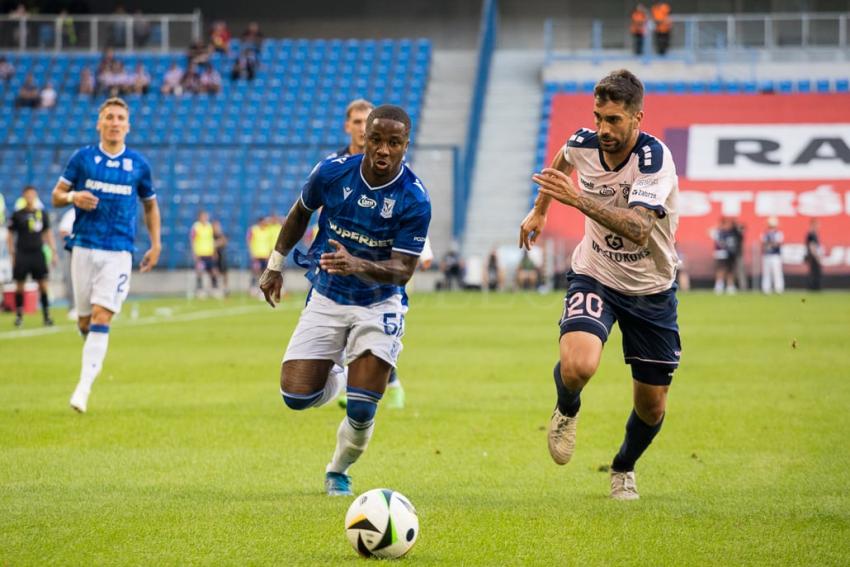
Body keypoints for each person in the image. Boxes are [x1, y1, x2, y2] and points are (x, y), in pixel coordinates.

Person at [520, 69, 681, 500]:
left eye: (614, 120)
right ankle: (567, 407)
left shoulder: (654, 161)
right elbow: (561, 161)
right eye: (598, 118)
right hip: (596, 273)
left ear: (637, 118)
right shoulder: (583, 143)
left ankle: (623, 467)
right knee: (579, 367)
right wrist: (541, 210)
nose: (604, 129)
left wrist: (578, 200)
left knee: (652, 405)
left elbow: (640, 230)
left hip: (651, 289)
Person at [259, 105, 430, 496]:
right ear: (364, 139)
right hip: (328, 296)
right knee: (295, 396)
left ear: (406, 146)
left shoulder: (414, 199)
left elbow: (403, 270)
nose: (383, 150)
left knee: (362, 408)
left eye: (394, 143)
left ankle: (338, 470)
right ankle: (337, 371)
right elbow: (300, 212)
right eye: (376, 140)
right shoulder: (332, 172)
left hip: (379, 304)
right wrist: (275, 264)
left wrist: (355, 263)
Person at [51, 97, 162, 414]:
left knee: (102, 315)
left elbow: (150, 205)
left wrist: (156, 244)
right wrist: (73, 196)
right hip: (83, 248)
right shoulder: (83, 159)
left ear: (128, 126)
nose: (114, 123)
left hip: (118, 252)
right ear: (100, 123)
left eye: (120, 118)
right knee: (86, 321)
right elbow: (56, 195)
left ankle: (82, 390)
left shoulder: (138, 165)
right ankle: (89, 354)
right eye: (109, 117)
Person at [7, 186, 57, 327]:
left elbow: (47, 233)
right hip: (22, 253)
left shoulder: (41, 214)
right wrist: (12, 253)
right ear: (24, 196)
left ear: (35, 196)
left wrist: (53, 251)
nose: (30, 197)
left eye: (32, 195)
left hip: (37, 253)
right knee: (19, 286)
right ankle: (19, 316)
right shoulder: (17, 215)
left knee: (43, 284)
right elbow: (10, 234)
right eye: (27, 195)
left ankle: (46, 315)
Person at [191, 211, 219, 298]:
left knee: (213, 271)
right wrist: (195, 253)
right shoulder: (196, 227)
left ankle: (214, 289)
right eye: (204, 216)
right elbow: (193, 240)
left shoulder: (209, 226)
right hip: (200, 254)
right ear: (199, 217)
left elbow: (211, 240)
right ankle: (200, 290)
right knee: (200, 272)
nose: (206, 218)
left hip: (209, 253)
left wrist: (214, 251)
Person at [58, 207, 77, 319]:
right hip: (72, 251)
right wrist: (73, 243)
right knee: (71, 280)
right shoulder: (71, 214)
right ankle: (73, 307)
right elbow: (63, 231)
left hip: (89, 250)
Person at [711, 217, 737, 295]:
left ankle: (730, 286)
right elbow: (710, 232)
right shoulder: (718, 232)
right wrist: (719, 226)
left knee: (730, 270)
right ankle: (719, 285)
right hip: (720, 253)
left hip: (729, 253)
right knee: (720, 269)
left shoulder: (731, 233)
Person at [761, 216, 784, 294]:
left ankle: (778, 288)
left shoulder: (778, 233)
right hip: (767, 255)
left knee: (777, 272)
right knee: (767, 273)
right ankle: (766, 289)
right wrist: (770, 244)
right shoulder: (765, 234)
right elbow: (763, 244)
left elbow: (777, 243)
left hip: (775, 255)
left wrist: (770, 244)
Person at [247, 216, 271, 293]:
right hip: (256, 255)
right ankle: (252, 287)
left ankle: (262, 288)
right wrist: (251, 252)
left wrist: (269, 254)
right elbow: (249, 241)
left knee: (264, 273)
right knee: (255, 271)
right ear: (260, 222)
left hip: (265, 255)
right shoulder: (254, 230)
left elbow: (269, 244)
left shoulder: (267, 230)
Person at [805, 219, 823, 291]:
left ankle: (815, 287)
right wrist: (816, 256)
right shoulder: (811, 234)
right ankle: (813, 287)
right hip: (813, 255)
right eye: (817, 224)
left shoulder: (814, 233)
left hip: (813, 255)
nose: (819, 226)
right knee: (814, 272)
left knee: (815, 272)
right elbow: (812, 246)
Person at [212, 220, 229, 295]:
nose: (217, 228)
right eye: (216, 226)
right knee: (215, 272)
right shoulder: (210, 235)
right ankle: (216, 288)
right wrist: (217, 243)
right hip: (214, 256)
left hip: (222, 255)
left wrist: (217, 243)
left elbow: (224, 242)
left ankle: (225, 288)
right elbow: (212, 244)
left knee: (225, 272)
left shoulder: (221, 235)